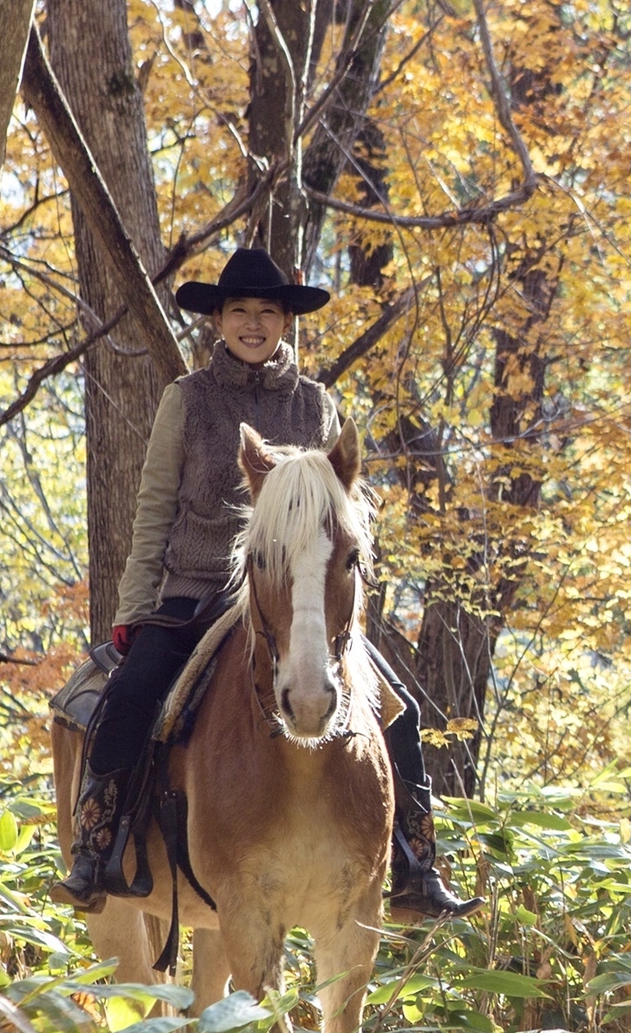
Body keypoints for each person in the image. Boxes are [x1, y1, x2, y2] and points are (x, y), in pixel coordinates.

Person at [54, 246, 478, 923]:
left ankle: (413, 864)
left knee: (399, 712)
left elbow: (343, 528)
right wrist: (137, 611)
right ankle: (99, 845)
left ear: (286, 323)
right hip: (197, 593)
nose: (253, 324)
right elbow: (154, 506)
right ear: (218, 320)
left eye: (268, 313)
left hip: (298, 601)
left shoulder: (316, 406)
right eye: (239, 312)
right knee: (129, 695)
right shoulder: (187, 401)